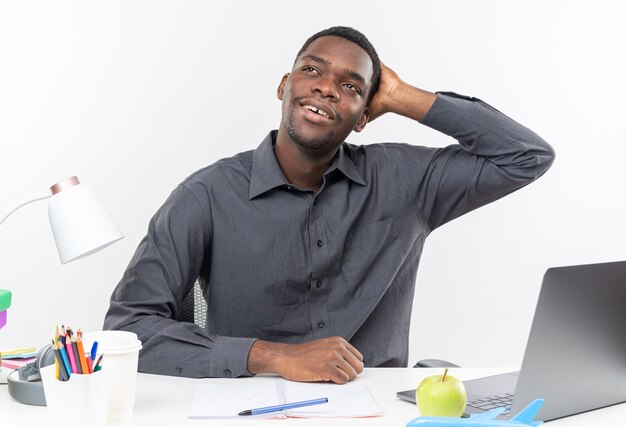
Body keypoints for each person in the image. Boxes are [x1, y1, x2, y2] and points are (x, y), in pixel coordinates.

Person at [104, 26, 555, 385]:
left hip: (376, 403)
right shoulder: (206, 194)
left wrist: (402, 96)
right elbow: (127, 330)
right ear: (284, 85)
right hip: (249, 403)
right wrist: (273, 357)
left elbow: (526, 157)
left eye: (350, 86)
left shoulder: (404, 179)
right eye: (312, 71)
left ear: (364, 116)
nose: (326, 89)